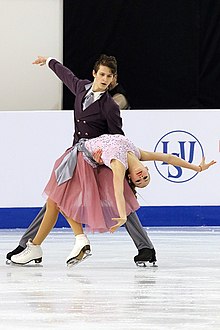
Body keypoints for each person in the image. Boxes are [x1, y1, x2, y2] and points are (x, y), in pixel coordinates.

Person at [6, 54, 156, 267]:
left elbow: (118, 139)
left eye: (109, 76)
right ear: (94, 74)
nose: (105, 79)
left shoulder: (110, 106)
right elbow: (65, 74)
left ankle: (146, 249)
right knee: (55, 198)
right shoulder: (81, 88)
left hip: (99, 160)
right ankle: (27, 244)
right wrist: (49, 61)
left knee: (118, 197)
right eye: (102, 74)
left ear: (113, 79)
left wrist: (122, 168)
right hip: (77, 155)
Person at [10, 133, 216, 266]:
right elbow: (169, 158)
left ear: (130, 177)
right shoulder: (138, 153)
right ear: (147, 168)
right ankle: (42, 245)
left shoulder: (119, 166)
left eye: (139, 181)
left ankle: (55, 243)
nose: (141, 177)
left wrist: (121, 216)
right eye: (145, 176)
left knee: (57, 200)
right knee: (55, 202)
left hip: (79, 160)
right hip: (79, 156)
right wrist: (197, 168)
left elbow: (118, 191)